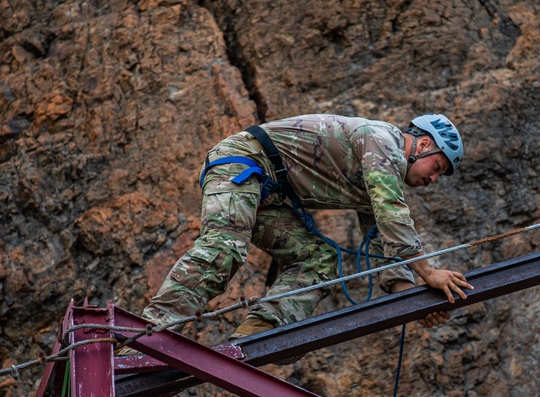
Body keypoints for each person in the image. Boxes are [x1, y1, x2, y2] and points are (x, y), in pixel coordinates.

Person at [139, 113, 473, 342]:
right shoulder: (381, 141)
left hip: (269, 194)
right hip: (243, 162)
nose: (432, 179)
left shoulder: (383, 173)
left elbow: (381, 243)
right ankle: (151, 332)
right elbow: (391, 212)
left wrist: (413, 301)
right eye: (437, 167)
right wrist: (428, 273)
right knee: (225, 247)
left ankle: (261, 327)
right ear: (425, 145)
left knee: (320, 258)